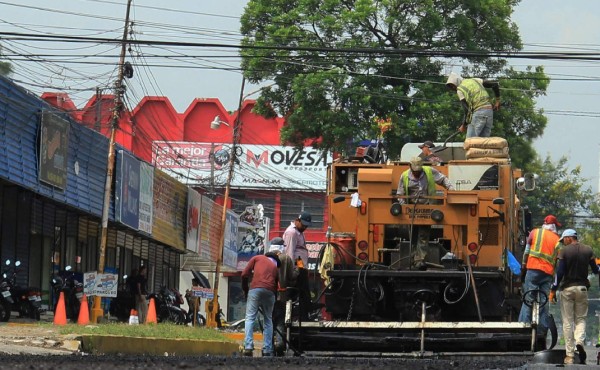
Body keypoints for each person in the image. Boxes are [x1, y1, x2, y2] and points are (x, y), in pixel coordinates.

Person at [550, 229, 599, 365]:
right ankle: (579, 341)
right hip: (582, 289)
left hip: (567, 289)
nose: (563, 243)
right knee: (581, 319)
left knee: (567, 321)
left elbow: (559, 274)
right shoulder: (588, 250)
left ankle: (570, 355)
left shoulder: (564, 252)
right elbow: (595, 270)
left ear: (569, 238)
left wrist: (553, 290)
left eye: (563, 240)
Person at [518, 215, 562, 335]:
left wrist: (523, 267)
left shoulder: (534, 233)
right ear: (553, 226)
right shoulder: (557, 239)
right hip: (547, 273)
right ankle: (542, 330)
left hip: (532, 270)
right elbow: (559, 259)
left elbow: (526, 252)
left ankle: (523, 327)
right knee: (544, 301)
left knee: (528, 298)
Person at [241, 248, 280, 357]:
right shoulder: (275, 267)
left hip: (256, 289)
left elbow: (244, 274)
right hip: (270, 292)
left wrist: (245, 290)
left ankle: (248, 346)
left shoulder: (257, 258)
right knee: (268, 320)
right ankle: (267, 349)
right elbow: (276, 287)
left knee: (250, 317)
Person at [446, 72, 500, 138]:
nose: (453, 88)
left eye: (452, 86)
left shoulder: (460, 90)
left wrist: (463, 125)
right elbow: (494, 84)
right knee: (483, 143)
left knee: (470, 141)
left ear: (456, 82)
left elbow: (467, 110)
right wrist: (497, 101)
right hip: (489, 112)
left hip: (478, 113)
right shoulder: (475, 80)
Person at [268, 237, 298, 355]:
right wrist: (299, 268)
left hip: (268, 296)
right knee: (280, 321)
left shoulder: (266, 259)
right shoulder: (286, 258)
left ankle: (268, 346)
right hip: (282, 296)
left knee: (268, 321)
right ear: (282, 248)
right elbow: (292, 277)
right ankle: (280, 344)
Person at [283, 211, 312, 319]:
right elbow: (289, 252)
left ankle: (304, 315)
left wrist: (303, 267)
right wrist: (293, 271)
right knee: (300, 291)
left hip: (299, 263)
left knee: (304, 292)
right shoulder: (292, 232)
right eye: (303, 224)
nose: (305, 227)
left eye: (306, 226)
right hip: (295, 265)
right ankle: (299, 316)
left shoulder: (299, 232)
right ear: (297, 220)